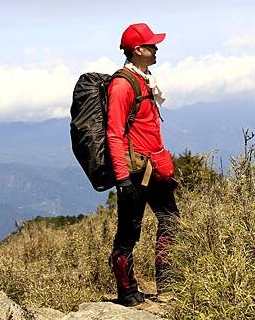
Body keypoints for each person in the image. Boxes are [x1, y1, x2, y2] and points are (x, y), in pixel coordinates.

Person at [106, 23, 180, 307]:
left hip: (155, 168)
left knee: (171, 222)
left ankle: (168, 286)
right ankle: (127, 293)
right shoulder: (123, 84)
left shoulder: (145, 79)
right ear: (138, 50)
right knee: (128, 235)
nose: (156, 48)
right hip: (135, 173)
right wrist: (122, 179)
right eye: (152, 44)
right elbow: (113, 133)